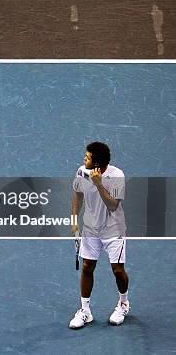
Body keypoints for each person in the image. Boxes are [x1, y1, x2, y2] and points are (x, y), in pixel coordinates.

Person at [69, 141, 129, 328]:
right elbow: (77, 193)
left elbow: (113, 205)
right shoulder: (81, 172)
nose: (83, 159)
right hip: (90, 229)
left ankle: (123, 303)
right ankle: (85, 311)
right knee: (87, 266)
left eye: (87, 157)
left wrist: (99, 184)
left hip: (113, 230)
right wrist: (74, 220)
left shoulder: (117, 175)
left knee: (118, 270)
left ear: (96, 164)